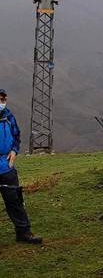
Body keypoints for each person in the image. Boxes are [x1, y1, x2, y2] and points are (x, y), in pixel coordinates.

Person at [0, 89, 42, 244]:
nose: (1, 102)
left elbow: (16, 136)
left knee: (14, 200)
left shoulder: (9, 116)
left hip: (6, 166)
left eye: (3, 99)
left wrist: (14, 151)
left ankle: (23, 232)